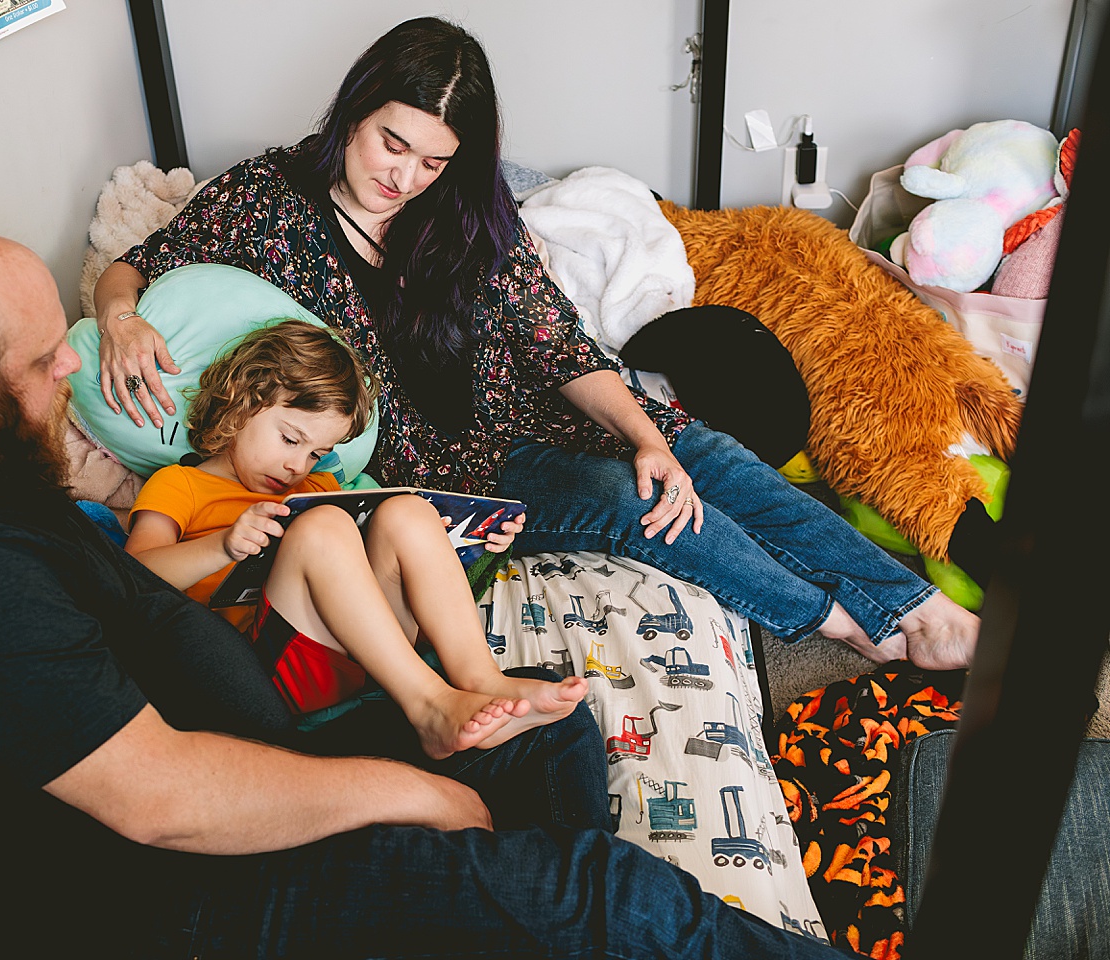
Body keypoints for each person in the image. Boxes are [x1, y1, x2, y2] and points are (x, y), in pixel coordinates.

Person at [0, 215, 845, 958]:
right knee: (611, 895)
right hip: (189, 903)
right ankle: (556, 913)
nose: (71, 374)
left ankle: (520, 920)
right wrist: (411, 792)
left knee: (546, 733)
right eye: (44, 364)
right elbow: (162, 804)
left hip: (246, 762)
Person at [92, 16, 978, 672]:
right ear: (355, 113)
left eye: (433, 160)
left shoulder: (464, 211)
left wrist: (645, 433)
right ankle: (846, 624)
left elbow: (558, 344)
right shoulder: (265, 201)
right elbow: (133, 268)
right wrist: (123, 318)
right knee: (633, 504)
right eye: (391, 143)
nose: (403, 177)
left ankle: (913, 599)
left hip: (527, 413)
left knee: (699, 453)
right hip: (453, 474)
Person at [125, 319, 584, 759]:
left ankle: (481, 677)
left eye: (317, 453)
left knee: (406, 511)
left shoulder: (316, 489)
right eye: (290, 439)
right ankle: (428, 706)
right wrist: (221, 545)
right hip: (266, 666)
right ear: (238, 404)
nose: (298, 467)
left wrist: (471, 545)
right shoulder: (181, 485)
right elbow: (131, 578)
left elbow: (382, 573)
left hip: (367, 654)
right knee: (323, 526)